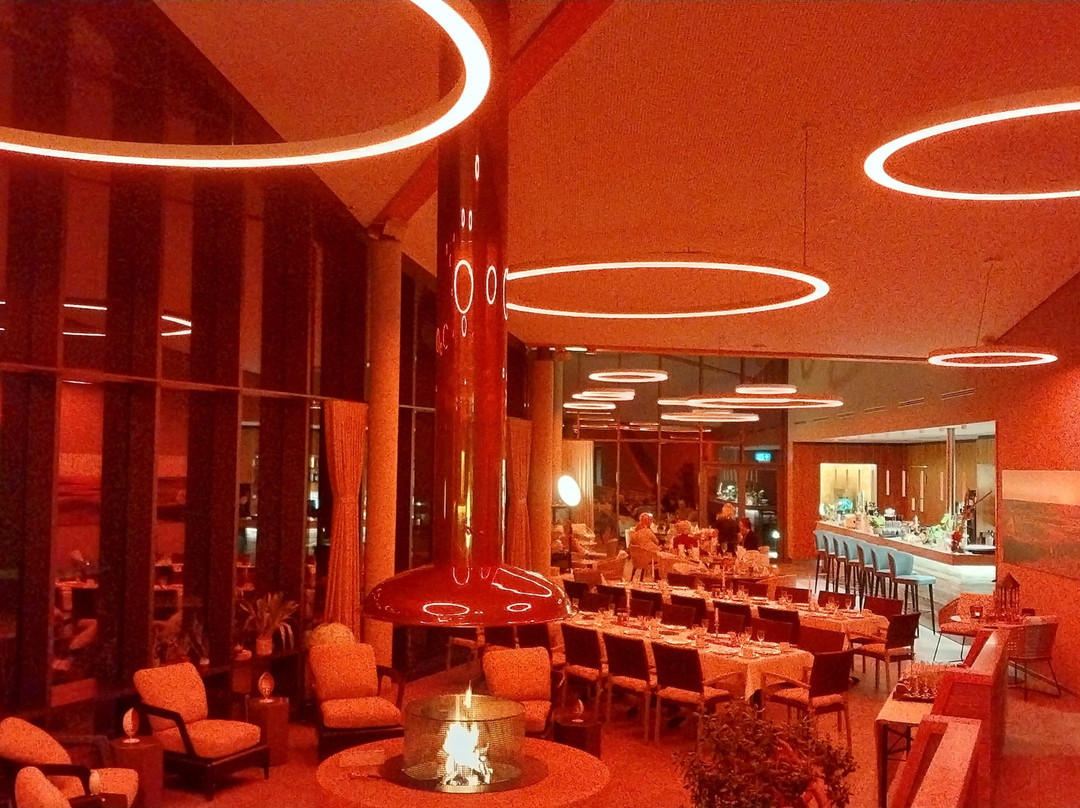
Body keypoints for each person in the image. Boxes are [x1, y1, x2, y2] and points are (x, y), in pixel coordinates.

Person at [628, 513, 661, 581]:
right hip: (647, 558)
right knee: (656, 555)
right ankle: (657, 576)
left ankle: (632, 577)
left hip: (636, 559)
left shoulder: (634, 534)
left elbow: (630, 545)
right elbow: (657, 542)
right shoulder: (648, 531)